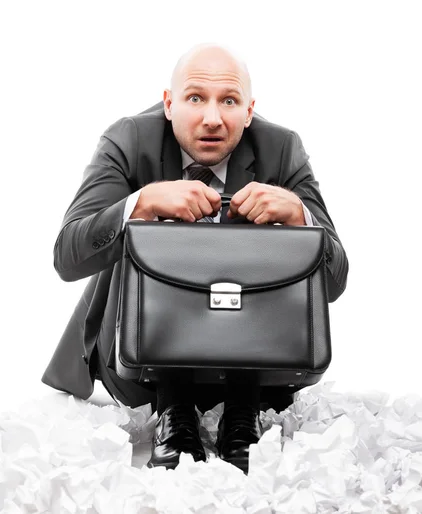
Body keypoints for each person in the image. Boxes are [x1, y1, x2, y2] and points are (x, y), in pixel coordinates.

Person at [42, 43, 349, 473]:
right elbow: (67, 256)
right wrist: (141, 204)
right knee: (142, 232)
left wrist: (300, 217)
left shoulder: (282, 148)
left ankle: (243, 415)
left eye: (228, 101)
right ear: (168, 104)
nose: (211, 117)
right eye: (194, 98)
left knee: (269, 240)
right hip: (140, 362)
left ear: (249, 110)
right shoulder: (127, 140)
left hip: (259, 369)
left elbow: (335, 281)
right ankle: (174, 411)